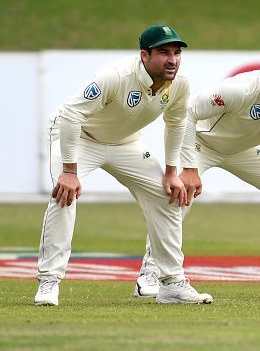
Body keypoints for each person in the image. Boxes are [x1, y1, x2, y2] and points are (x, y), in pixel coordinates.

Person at [34, 24, 213, 306]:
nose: (172, 59)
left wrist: (170, 172)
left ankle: (170, 283)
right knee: (64, 197)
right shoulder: (116, 76)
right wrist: (69, 171)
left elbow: (176, 122)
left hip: (125, 143)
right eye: (164, 52)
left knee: (169, 196)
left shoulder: (180, 82)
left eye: (177, 53)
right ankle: (49, 281)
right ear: (145, 55)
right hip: (80, 137)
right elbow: (71, 115)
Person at [136, 46, 260, 298]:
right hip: (202, 144)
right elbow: (189, 112)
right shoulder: (239, 91)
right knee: (178, 197)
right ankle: (150, 271)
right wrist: (190, 167)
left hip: (244, 150)